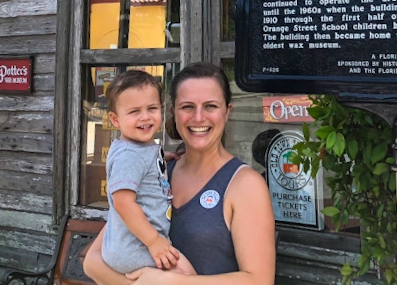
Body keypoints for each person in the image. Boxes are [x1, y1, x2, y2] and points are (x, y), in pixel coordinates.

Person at [84, 63, 276, 284]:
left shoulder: (244, 185)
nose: (198, 117)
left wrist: (170, 282)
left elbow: (260, 281)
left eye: (210, 106)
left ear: (227, 112)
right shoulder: (157, 172)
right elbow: (92, 261)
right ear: (173, 111)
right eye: (187, 107)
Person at [102, 70, 181, 273]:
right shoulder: (129, 156)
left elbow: (142, 165)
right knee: (184, 272)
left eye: (152, 108)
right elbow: (122, 202)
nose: (145, 117)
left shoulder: (139, 148)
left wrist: (163, 157)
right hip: (136, 247)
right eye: (134, 111)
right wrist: (154, 241)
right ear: (115, 119)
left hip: (133, 244)